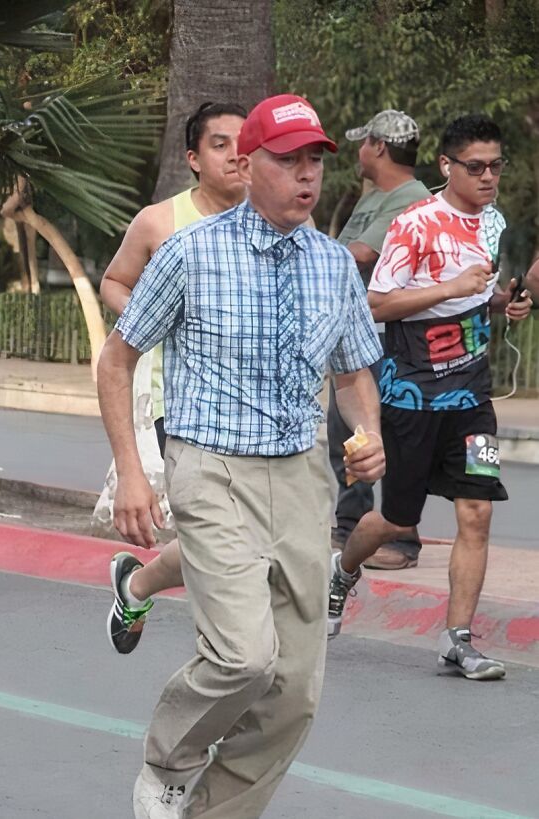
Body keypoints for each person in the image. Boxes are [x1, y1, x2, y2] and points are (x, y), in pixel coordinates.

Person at [97, 94, 385, 819]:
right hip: (211, 465)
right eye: (290, 160)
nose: (307, 175)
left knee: (294, 689)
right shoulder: (190, 252)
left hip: (300, 477)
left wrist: (367, 430)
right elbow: (118, 357)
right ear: (248, 165)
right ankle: (168, 759)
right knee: (243, 656)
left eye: (315, 160)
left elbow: (352, 372)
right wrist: (133, 470)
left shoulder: (332, 265)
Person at [328, 114, 533, 681]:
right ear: (447, 166)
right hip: (413, 396)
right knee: (394, 521)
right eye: (476, 167)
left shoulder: (495, 222)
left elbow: (476, 293)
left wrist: (503, 304)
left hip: (473, 398)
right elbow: (375, 304)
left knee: (477, 512)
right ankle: (341, 572)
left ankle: (459, 640)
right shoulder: (416, 223)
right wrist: (453, 288)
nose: (488, 176)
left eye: (496, 165)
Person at [99, 101, 247, 653]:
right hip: (184, 408)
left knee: (230, 544)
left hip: (267, 419)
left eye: (244, 142)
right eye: (220, 143)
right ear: (193, 158)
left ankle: (135, 584)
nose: (237, 154)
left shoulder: (276, 221)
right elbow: (115, 282)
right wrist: (154, 316)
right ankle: (228, 668)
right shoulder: (161, 222)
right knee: (221, 545)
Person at [330, 109, 429, 569]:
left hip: (393, 337)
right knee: (347, 434)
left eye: (362, 142)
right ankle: (352, 529)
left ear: (379, 147)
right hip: (360, 332)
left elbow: (360, 255)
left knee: (389, 436)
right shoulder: (377, 197)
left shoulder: (410, 199)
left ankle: (401, 538)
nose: (358, 151)